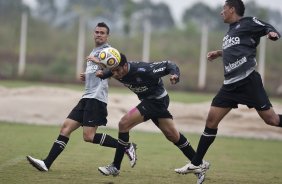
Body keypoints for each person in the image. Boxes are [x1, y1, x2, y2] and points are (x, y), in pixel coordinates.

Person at [174, 0, 282, 177]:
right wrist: (219, 53)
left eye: (223, 9)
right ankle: (197, 163)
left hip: (248, 81)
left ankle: (196, 162)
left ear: (232, 9)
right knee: (211, 121)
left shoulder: (247, 22)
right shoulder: (230, 31)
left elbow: (267, 27)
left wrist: (272, 33)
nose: (221, 12)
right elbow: (237, 48)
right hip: (230, 85)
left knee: (271, 120)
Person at [26, 22, 137, 172]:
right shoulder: (94, 50)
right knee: (66, 127)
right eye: (96, 32)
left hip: (97, 98)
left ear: (107, 36)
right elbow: (98, 71)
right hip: (86, 97)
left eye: (102, 32)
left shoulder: (109, 51)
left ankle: (126, 146)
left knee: (89, 136)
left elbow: (117, 70)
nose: (98, 34)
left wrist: (100, 63)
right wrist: (88, 75)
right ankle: (46, 163)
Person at [94, 53, 209, 184]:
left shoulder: (143, 70)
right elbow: (111, 70)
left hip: (157, 100)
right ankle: (199, 163)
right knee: (173, 136)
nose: (115, 74)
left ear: (125, 66)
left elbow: (169, 64)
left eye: (117, 70)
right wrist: (103, 74)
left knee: (123, 124)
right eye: (112, 71)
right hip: (150, 102)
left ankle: (115, 166)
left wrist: (175, 75)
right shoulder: (116, 70)